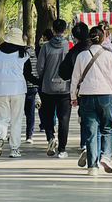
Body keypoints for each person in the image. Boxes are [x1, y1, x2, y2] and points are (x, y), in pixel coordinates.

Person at [70, 25, 112, 176]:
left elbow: (75, 79)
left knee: (91, 131)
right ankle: (105, 156)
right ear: (104, 38)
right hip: (106, 96)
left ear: (89, 38)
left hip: (86, 96)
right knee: (107, 128)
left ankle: (92, 166)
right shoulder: (110, 56)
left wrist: (73, 96)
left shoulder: (81, 56)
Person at [0, 27, 37, 158]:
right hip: (18, 90)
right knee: (16, 119)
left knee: (2, 118)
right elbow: (28, 75)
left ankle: (1, 136)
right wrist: (41, 82)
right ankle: (14, 149)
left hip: (0, 90)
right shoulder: (23, 55)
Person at [37, 19, 71, 158]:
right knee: (64, 119)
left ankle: (51, 138)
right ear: (65, 31)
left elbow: (39, 68)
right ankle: (62, 149)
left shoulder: (45, 47)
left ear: (52, 30)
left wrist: (44, 77)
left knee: (48, 116)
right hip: (65, 88)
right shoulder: (69, 46)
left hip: (48, 87)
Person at [58, 21, 91, 166]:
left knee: (85, 117)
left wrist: (72, 95)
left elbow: (64, 72)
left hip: (81, 90)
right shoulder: (100, 50)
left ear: (75, 36)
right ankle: (92, 145)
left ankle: (83, 143)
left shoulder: (74, 51)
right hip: (101, 89)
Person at [22, 34, 38, 145]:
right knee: (30, 112)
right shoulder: (33, 52)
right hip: (32, 86)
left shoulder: (18, 53)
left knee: (16, 113)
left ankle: (14, 134)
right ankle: (29, 135)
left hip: (20, 86)